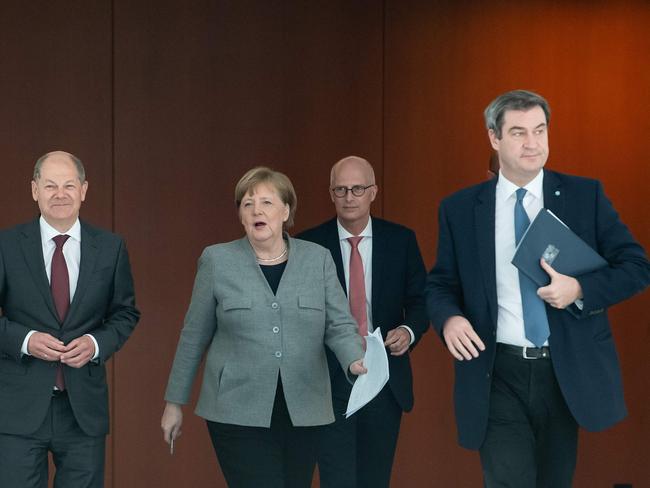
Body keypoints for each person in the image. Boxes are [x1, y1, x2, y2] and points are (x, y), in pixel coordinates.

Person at [425, 90, 650, 487]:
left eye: (540, 130)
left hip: (565, 371)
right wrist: (449, 319)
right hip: (497, 372)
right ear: (494, 137)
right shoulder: (460, 209)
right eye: (518, 132)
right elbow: (441, 283)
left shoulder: (585, 196)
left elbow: (636, 267)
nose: (532, 143)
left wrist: (579, 289)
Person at [161, 166, 366, 488]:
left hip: (305, 407)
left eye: (267, 203)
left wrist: (354, 358)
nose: (257, 210)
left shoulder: (318, 259)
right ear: (241, 216)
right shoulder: (217, 261)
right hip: (236, 409)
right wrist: (175, 403)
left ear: (286, 210)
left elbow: (339, 323)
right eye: (247, 204)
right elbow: (193, 336)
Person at [0, 151, 140, 488]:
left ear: (84, 190)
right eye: (50, 185)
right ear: (34, 190)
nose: (59, 194)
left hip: (82, 410)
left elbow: (125, 312)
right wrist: (24, 340)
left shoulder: (110, 247)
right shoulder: (6, 244)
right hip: (18, 407)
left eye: (68, 185)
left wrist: (95, 344)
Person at [298, 156, 428, 488]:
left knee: (375, 478)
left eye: (358, 188)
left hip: (383, 376)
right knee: (336, 478)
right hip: (328, 379)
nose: (349, 196)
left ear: (373, 192)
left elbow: (421, 301)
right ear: (331, 193)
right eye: (340, 189)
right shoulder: (308, 245)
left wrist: (408, 331)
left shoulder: (400, 241)